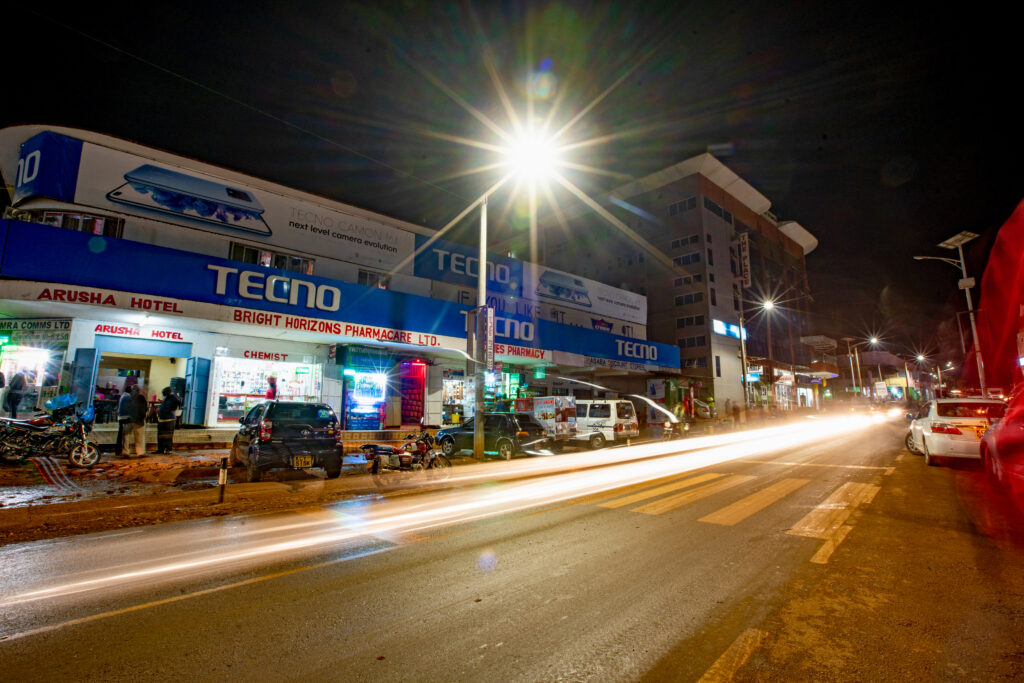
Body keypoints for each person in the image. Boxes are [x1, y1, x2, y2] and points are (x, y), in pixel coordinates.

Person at [156, 387, 181, 454]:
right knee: (161, 436)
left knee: (167, 436)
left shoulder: (173, 398)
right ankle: (161, 449)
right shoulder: (168, 398)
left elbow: (178, 403)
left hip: (169, 419)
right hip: (163, 419)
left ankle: (167, 449)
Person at [126, 385, 148, 457]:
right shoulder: (141, 398)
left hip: (128, 419)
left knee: (126, 437)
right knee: (139, 437)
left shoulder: (128, 397)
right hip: (138, 420)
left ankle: (125, 452)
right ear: (139, 391)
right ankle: (140, 452)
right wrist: (143, 417)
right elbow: (144, 408)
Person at [117, 387, 134, 457]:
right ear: (131, 391)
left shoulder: (123, 396)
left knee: (121, 434)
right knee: (125, 435)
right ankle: (124, 451)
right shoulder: (128, 397)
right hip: (125, 417)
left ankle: (119, 451)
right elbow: (130, 408)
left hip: (121, 417)